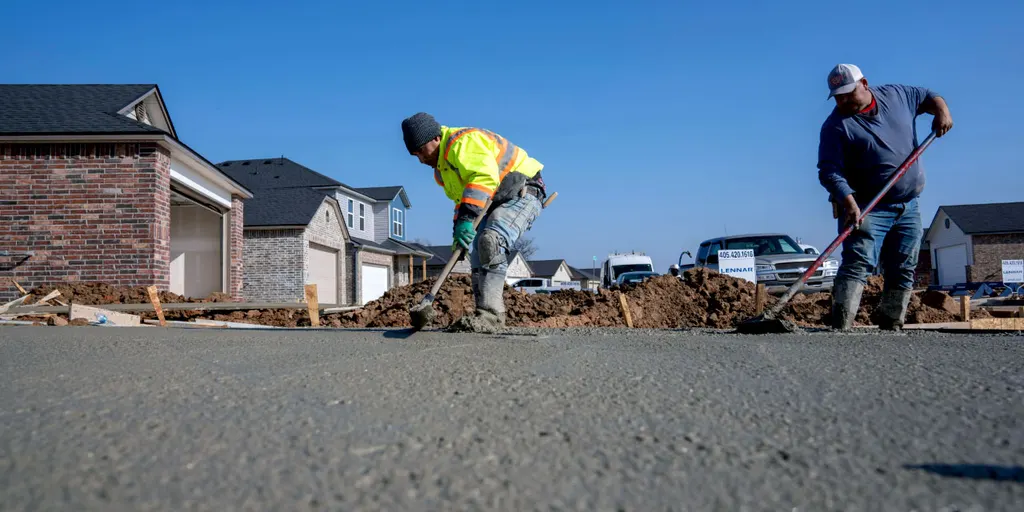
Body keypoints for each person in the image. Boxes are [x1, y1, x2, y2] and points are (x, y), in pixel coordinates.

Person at [817, 64, 953, 330]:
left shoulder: (897, 95)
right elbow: (828, 170)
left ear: (864, 84)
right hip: (867, 205)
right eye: (838, 96)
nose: (843, 100)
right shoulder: (835, 126)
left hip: (908, 204)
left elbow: (928, 95)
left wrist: (942, 111)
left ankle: (892, 324)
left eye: (847, 93)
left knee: (904, 264)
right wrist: (848, 202)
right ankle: (841, 326)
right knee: (858, 262)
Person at [401, 112, 547, 333]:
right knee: (479, 254)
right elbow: (464, 200)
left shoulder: (461, 143)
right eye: (415, 155)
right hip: (496, 200)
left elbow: (483, 177)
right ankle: (484, 317)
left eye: (421, 151)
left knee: (491, 240)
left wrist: (468, 219)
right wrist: (459, 232)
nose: (421, 159)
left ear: (436, 138)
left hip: (524, 190)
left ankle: (491, 317)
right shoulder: (442, 171)